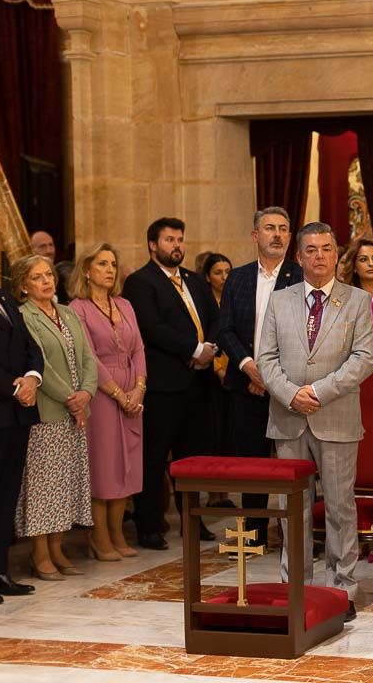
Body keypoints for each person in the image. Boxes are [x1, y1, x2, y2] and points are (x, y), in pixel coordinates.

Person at [258, 222, 373, 623]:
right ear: (299, 256)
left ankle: (342, 590)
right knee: (294, 508)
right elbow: (266, 359)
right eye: (311, 250)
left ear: (337, 253)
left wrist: (319, 392)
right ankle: (297, 588)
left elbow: (363, 359)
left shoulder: (357, 301)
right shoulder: (280, 300)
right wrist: (291, 394)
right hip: (288, 418)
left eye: (327, 248)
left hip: (336, 416)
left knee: (341, 508)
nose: (319, 256)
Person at [123, 217, 218, 550]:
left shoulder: (194, 279)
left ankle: (194, 520)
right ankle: (149, 525)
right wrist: (193, 350)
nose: (176, 245)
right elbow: (151, 327)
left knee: (193, 458)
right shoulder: (140, 282)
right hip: (163, 384)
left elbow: (214, 318)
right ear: (152, 245)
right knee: (155, 456)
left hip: (198, 381)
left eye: (180, 239)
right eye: (169, 240)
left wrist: (210, 349)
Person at [216, 207, 302, 548]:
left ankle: (293, 532)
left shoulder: (301, 277)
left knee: (292, 462)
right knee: (251, 462)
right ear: (255, 235)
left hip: (288, 386)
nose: (277, 234)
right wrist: (249, 365)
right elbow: (225, 329)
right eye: (270, 228)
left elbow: (303, 334)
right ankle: (252, 531)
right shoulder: (238, 277)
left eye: (283, 228)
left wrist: (271, 375)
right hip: (245, 384)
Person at [13, 255, 98, 578]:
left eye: (49, 274)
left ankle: (58, 549)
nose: (47, 281)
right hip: (48, 413)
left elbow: (88, 357)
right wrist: (70, 398)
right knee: (43, 486)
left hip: (77, 411)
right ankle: (39, 554)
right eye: (37, 277)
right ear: (23, 285)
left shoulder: (68, 313)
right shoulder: (25, 316)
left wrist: (86, 393)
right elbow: (40, 366)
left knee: (65, 485)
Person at [70, 243, 147, 559]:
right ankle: (98, 537)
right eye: (102, 263)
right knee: (104, 466)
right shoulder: (77, 308)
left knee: (128, 466)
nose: (109, 269)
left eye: (113, 264)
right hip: (101, 393)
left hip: (132, 389)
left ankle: (117, 534)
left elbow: (140, 349)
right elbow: (87, 356)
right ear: (87, 270)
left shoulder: (125, 304)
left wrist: (139, 388)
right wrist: (117, 393)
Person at [0, 234, 42, 604]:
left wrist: (33, 378)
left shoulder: (2, 296)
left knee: (6, 496)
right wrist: (12, 387)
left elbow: (29, 346)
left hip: (16, 416)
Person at [202, 252, 235, 508]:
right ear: (207, 277)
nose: (224, 277)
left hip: (234, 373)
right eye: (218, 272)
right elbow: (209, 340)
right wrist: (217, 367)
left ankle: (226, 491)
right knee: (212, 434)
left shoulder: (234, 299)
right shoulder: (205, 303)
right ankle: (214, 493)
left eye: (227, 272)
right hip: (210, 377)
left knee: (229, 435)